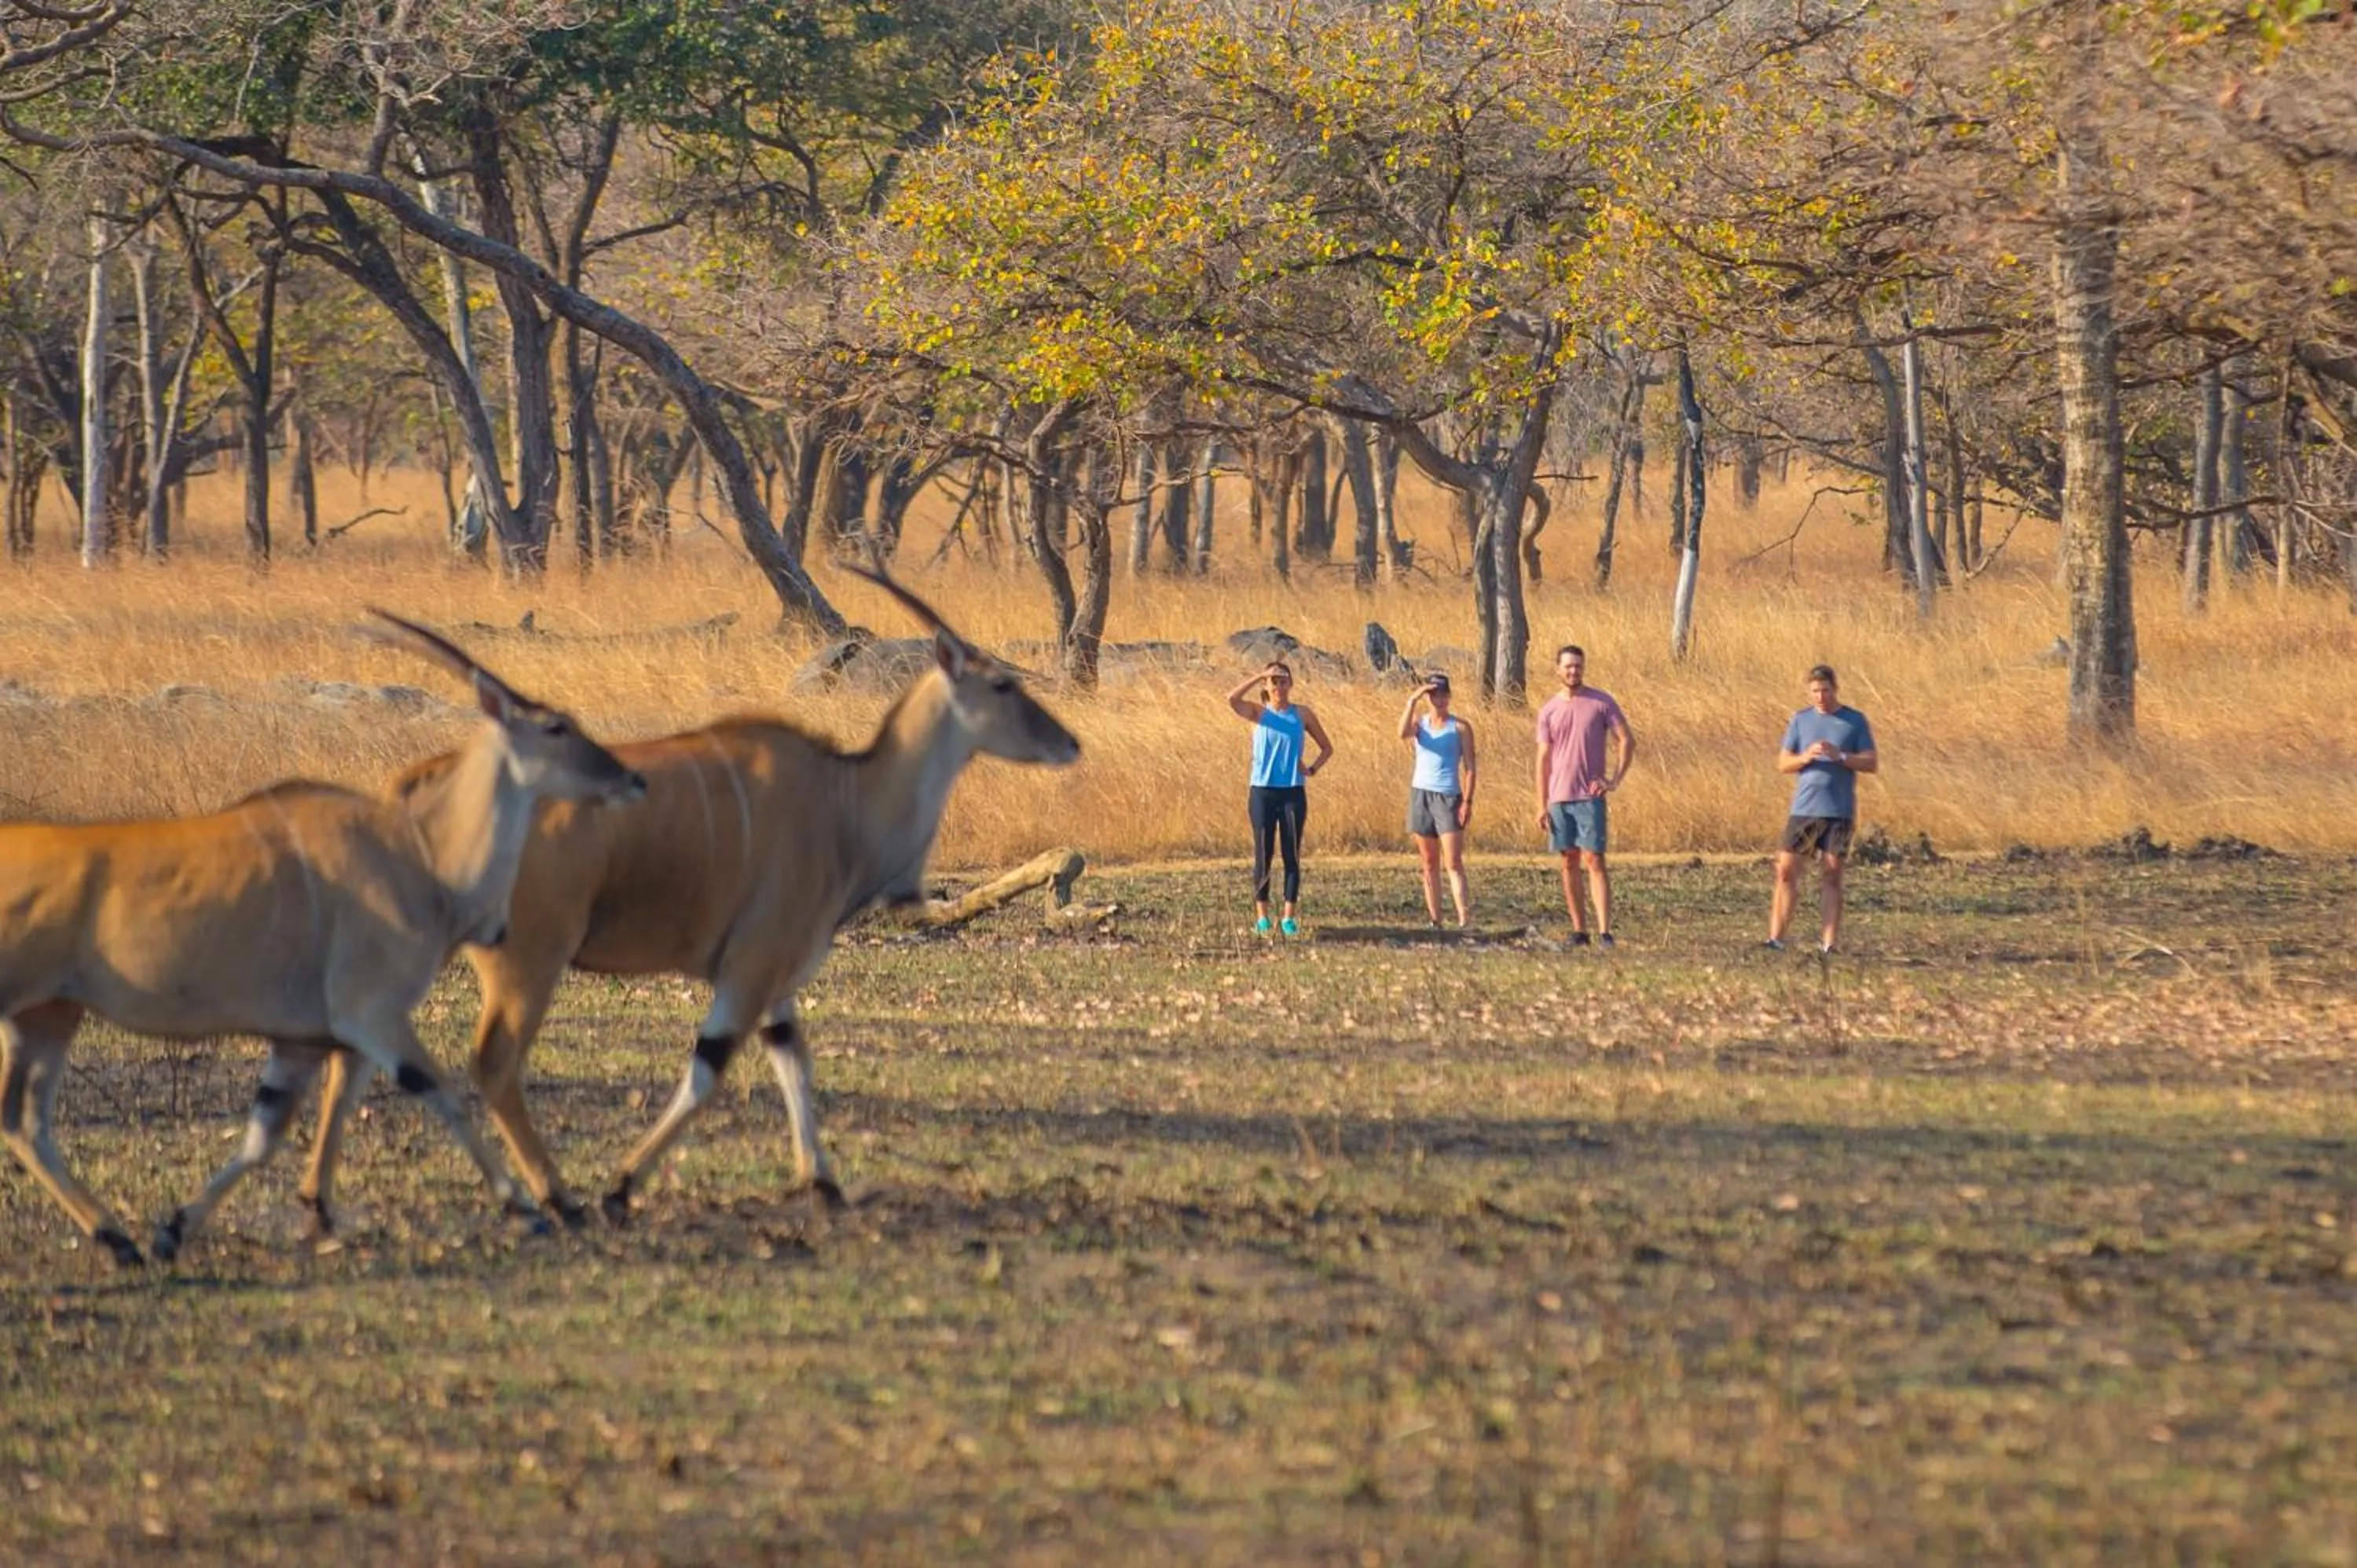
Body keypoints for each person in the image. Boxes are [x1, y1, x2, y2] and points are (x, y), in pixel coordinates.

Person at [1767, 663, 1879, 954]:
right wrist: (1805, 757)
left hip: (1839, 812)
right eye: (1815, 692)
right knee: (1786, 872)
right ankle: (1776, 938)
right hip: (1805, 809)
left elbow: (1870, 762)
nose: (1820, 697)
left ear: (1835, 689)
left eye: (1825, 691)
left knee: (1832, 874)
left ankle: (1829, 944)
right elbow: (1783, 763)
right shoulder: (1800, 721)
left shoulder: (1853, 722)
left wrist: (1840, 755)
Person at [1533, 645, 1636, 948]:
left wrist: (1614, 779)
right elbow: (1543, 759)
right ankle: (1580, 930)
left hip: (1589, 796)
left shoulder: (1601, 703)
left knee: (1595, 860)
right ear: (1558, 669)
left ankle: (1605, 931)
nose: (1573, 671)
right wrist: (1541, 803)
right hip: (1559, 797)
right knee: (1569, 861)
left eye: (1578, 666)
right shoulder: (1549, 710)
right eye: (1568, 666)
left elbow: (1627, 740)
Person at [1226, 660, 1334, 936]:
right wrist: (1259, 675)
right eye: (1273, 681)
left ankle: (1288, 917)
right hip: (1262, 791)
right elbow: (1231, 699)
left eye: (1283, 680)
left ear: (1291, 684)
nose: (1278, 686)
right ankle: (1262, 917)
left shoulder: (1302, 714)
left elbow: (1327, 747)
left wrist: (1311, 769)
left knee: (1291, 854)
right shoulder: (1258, 714)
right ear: (1267, 686)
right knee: (1264, 853)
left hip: (1292, 793)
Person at [1399, 671, 1477, 929]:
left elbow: (1470, 768)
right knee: (1429, 861)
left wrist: (1467, 801)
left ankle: (1464, 918)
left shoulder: (1460, 727)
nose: (1439, 700)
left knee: (1453, 861)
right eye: (1434, 695)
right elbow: (1402, 733)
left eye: (1443, 694)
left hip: (1448, 796)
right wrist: (1413, 700)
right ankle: (1436, 919)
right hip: (1421, 793)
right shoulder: (1420, 724)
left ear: (1450, 696)